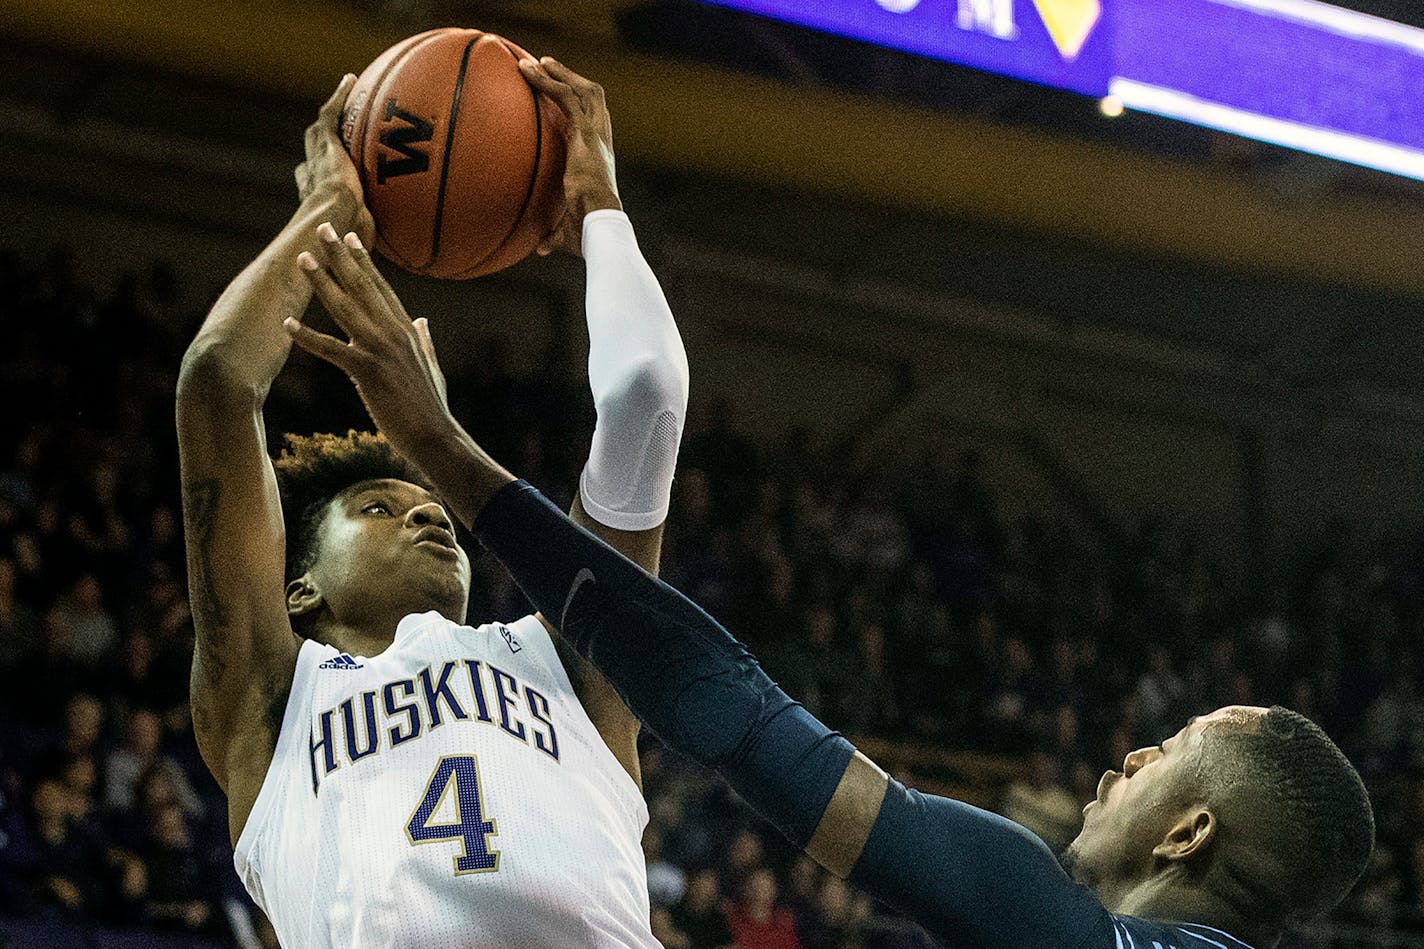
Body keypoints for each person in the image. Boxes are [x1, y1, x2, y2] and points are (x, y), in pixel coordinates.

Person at [285, 208, 1375, 949]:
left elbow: (734, 713)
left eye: (1165, 752)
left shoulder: (1044, 920)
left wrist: (438, 444)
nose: (1129, 755)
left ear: (1190, 834)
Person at [175, 57, 688, 946]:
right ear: (300, 589)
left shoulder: (568, 662)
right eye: (377, 506)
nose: (423, 511)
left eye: (432, 504)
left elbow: (647, 396)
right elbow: (218, 383)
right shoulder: (271, 692)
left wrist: (602, 208)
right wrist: (327, 217)